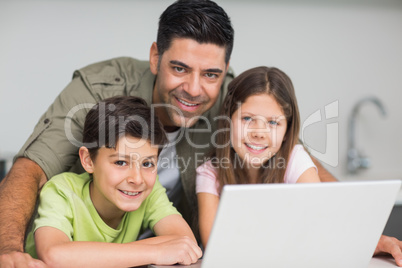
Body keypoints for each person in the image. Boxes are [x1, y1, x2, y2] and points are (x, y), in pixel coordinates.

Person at [0, 1, 400, 267]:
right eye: (179, 68)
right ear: (156, 56)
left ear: (225, 71)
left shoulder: (235, 101)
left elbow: (296, 159)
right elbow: (30, 169)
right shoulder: (99, 89)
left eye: (210, 74)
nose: (194, 88)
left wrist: (359, 231)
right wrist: (8, 251)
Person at [24, 95, 202, 266]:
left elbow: (185, 243)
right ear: (88, 160)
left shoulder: (149, 189)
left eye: (147, 163)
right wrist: (156, 252)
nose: (137, 179)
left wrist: (98, 257)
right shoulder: (62, 190)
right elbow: (54, 256)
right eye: (121, 162)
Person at [196, 66, 321, 248]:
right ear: (228, 122)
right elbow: (214, 244)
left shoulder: (295, 160)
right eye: (247, 119)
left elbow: (318, 225)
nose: (259, 133)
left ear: (286, 131)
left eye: (273, 122)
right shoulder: (210, 172)